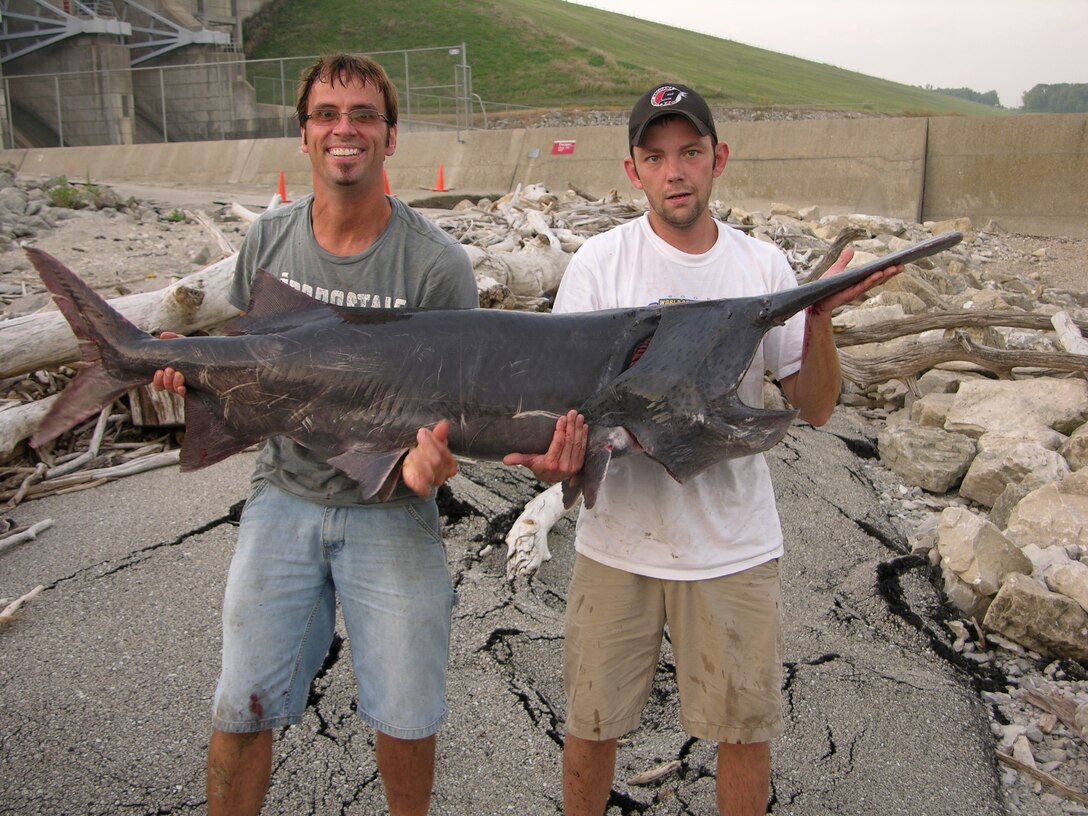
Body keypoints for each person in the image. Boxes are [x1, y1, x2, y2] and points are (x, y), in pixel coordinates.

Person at [154, 53, 582, 816]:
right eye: (326, 115)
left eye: (362, 117)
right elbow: (258, 370)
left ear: (390, 136)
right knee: (240, 709)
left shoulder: (437, 265)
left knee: (409, 720)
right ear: (304, 135)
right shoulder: (269, 242)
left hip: (393, 514)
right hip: (283, 495)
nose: (343, 130)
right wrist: (184, 377)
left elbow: (456, 407)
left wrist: (434, 469)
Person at [550, 83, 904, 815]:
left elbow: (815, 408)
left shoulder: (763, 267)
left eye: (690, 153)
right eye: (656, 157)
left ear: (719, 159)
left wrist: (821, 318)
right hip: (617, 543)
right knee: (590, 725)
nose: (675, 171)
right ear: (633, 171)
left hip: (734, 547)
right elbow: (565, 405)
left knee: (742, 734)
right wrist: (555, 451)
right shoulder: (597, 263)